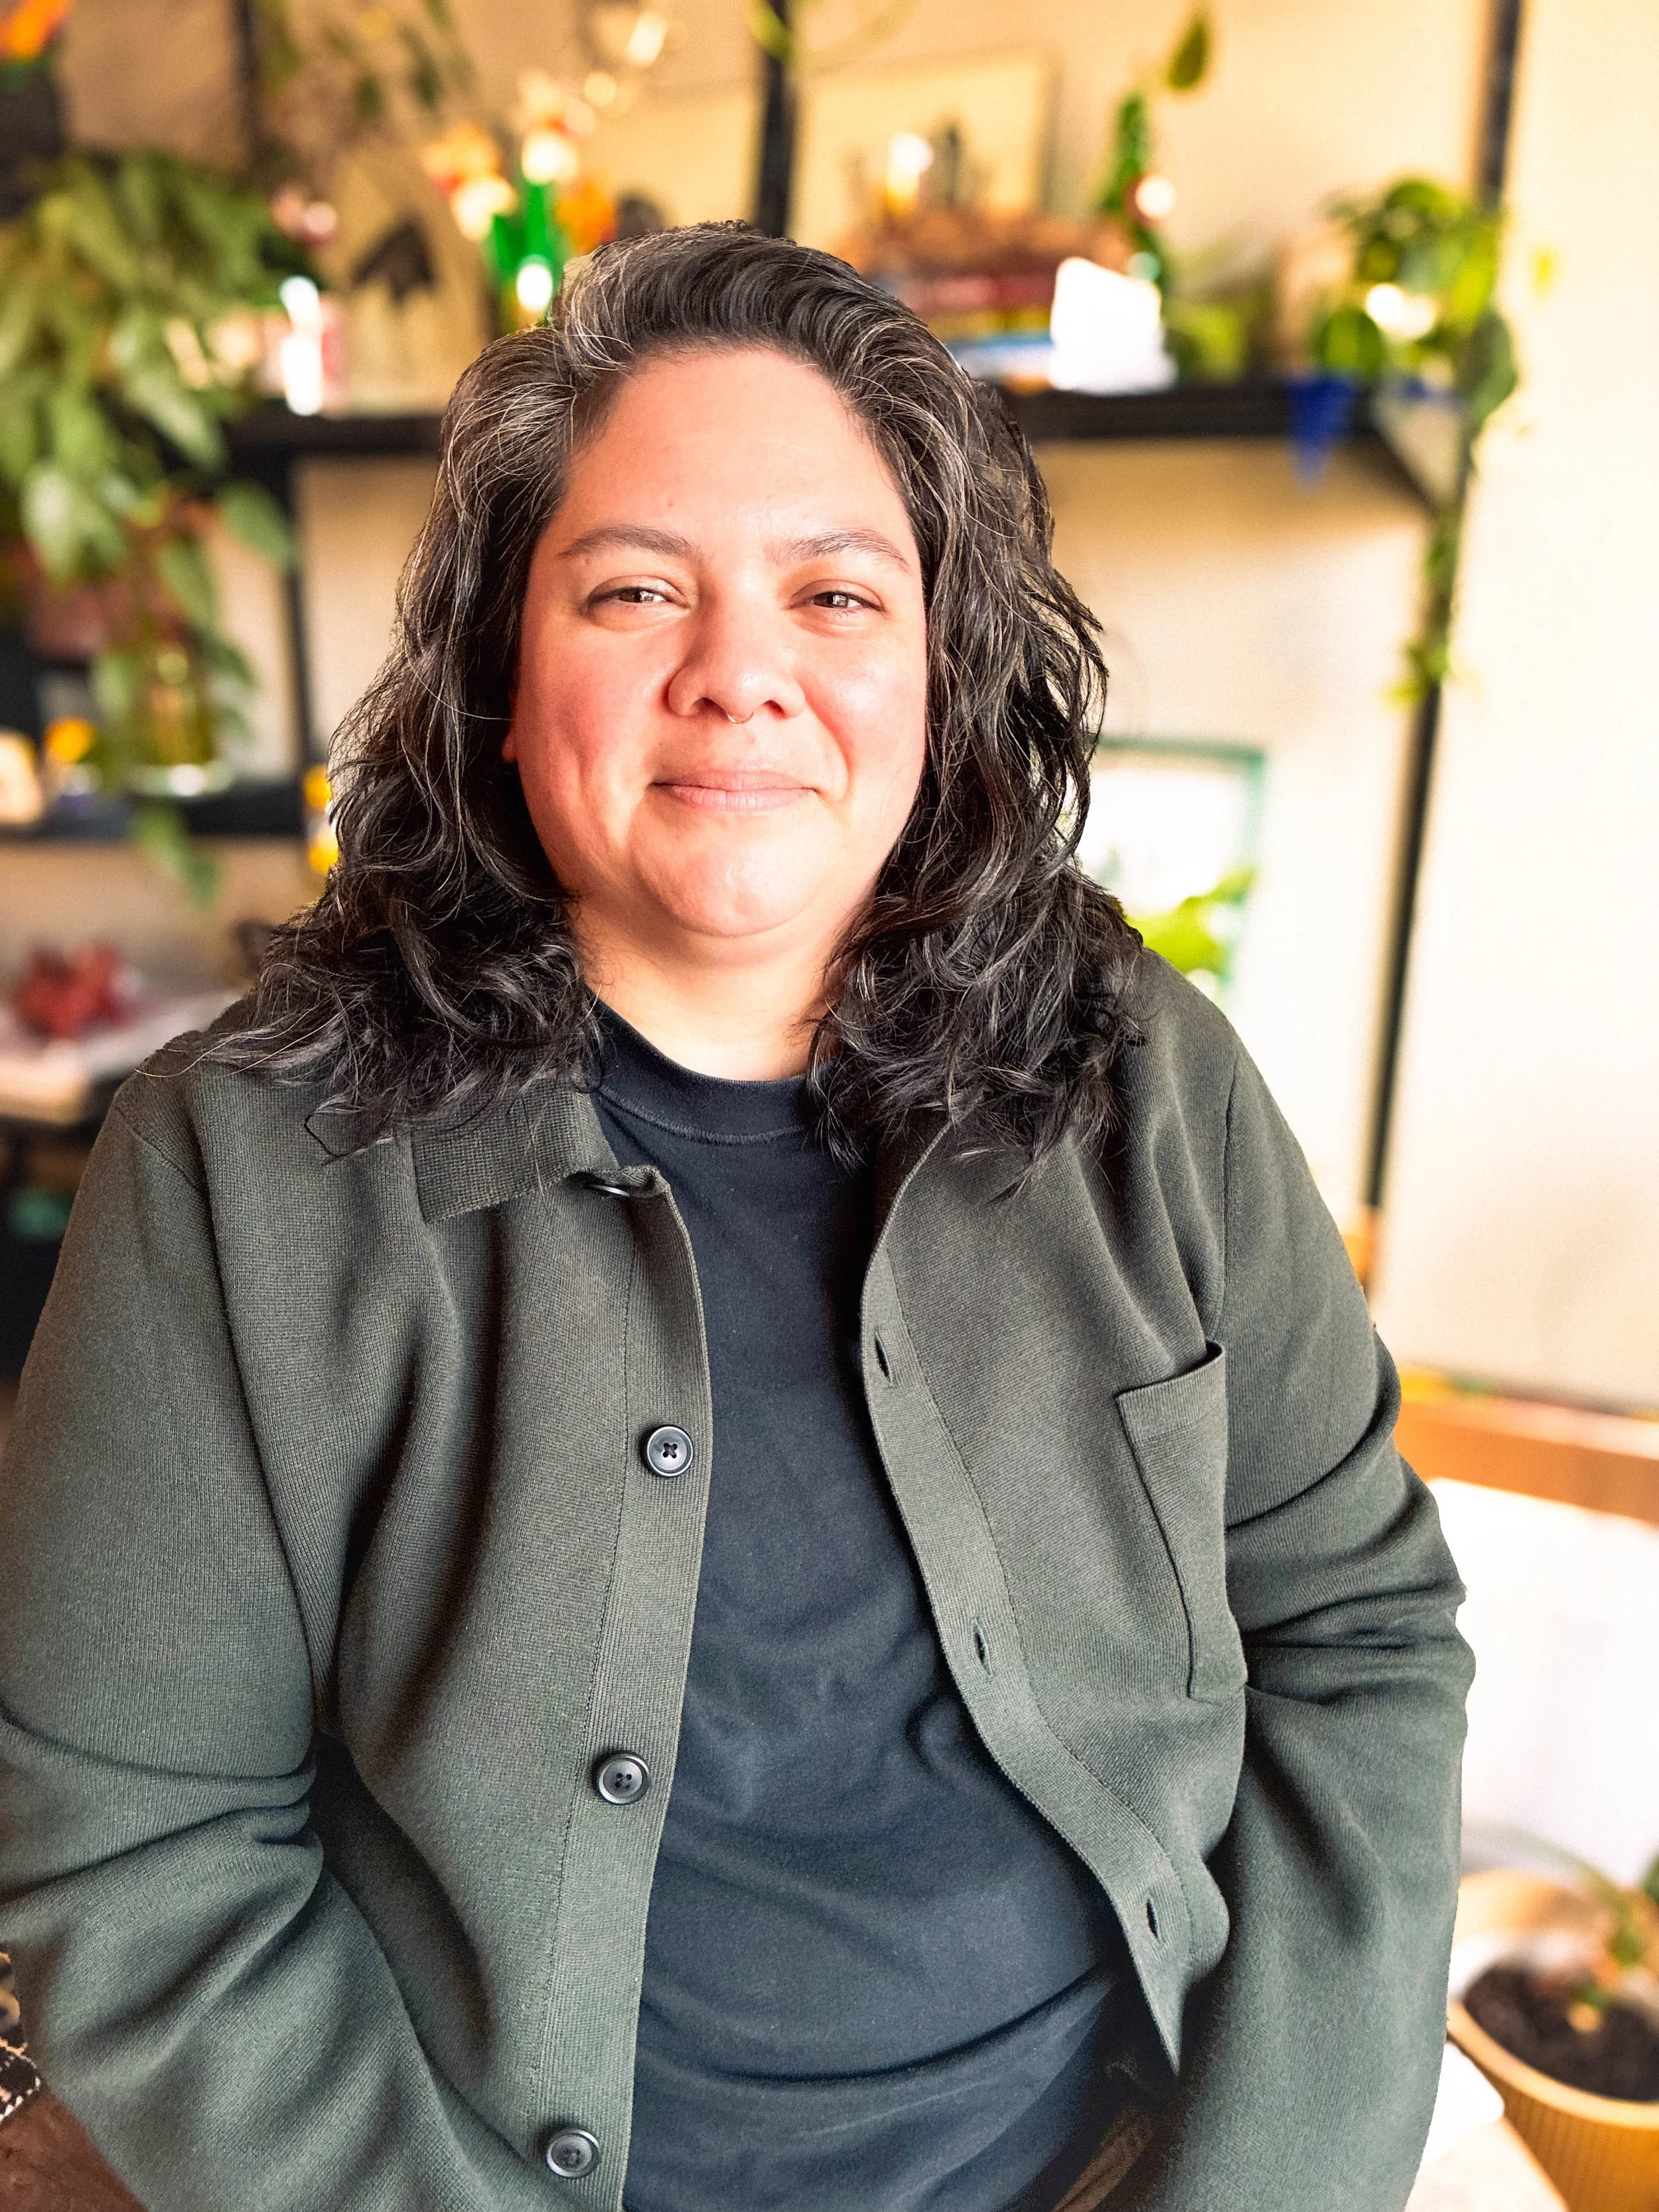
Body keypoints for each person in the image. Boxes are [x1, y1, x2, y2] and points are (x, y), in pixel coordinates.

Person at [0, 224, 1472, 2212]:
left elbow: (1361, 1628)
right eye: (630, 589)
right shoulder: (246, 1167)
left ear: (940, 677)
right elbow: (135, 1849)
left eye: (835, 591)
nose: (739, 672)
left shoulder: (1145, 1077)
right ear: (503, 690)